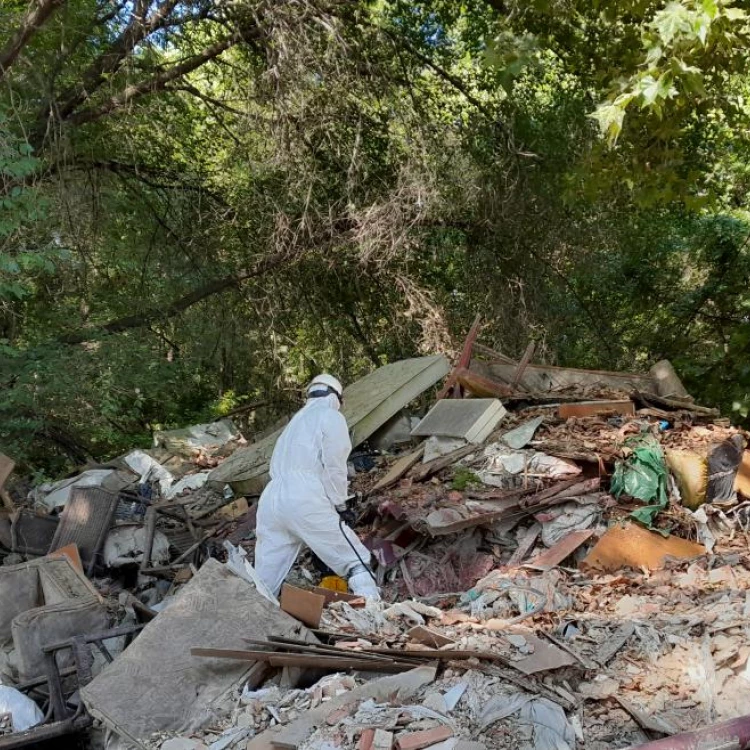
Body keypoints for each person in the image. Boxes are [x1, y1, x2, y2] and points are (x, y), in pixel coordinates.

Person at [254, 374, 381, 600]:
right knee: (354, 559)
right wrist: (339, 503)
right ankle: (374, 614)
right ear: (336, 397)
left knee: (264, 580)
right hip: (302, 496)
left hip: (271, 500)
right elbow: (335, 465)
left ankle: (249, 619)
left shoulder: (293, 423)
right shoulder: (330, 416)